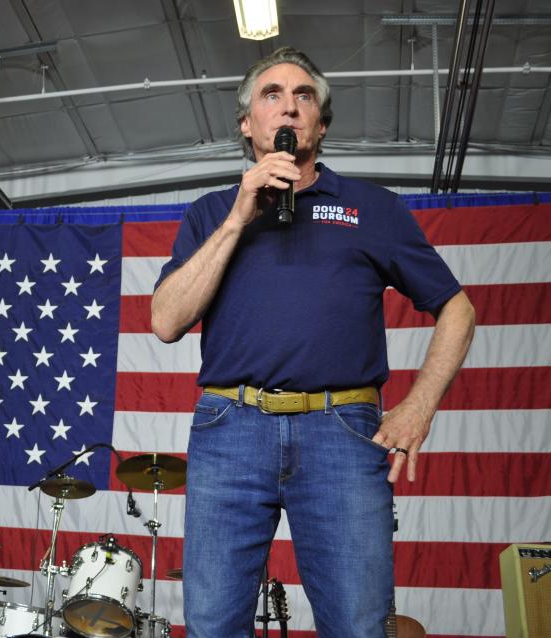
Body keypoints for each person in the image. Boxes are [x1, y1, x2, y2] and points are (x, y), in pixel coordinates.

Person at [151, 47, 475, 637]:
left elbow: (457, 307)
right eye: (271, 95)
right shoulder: (210, 213)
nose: (289, 107)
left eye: (304, 97)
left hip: (343, 433)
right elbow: (167, 321)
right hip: (230, 429)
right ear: (248, 124)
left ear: (320, 125)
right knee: (211, 625)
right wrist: (238, 217)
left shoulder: (373, 208)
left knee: (357, 624)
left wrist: (420, 405)